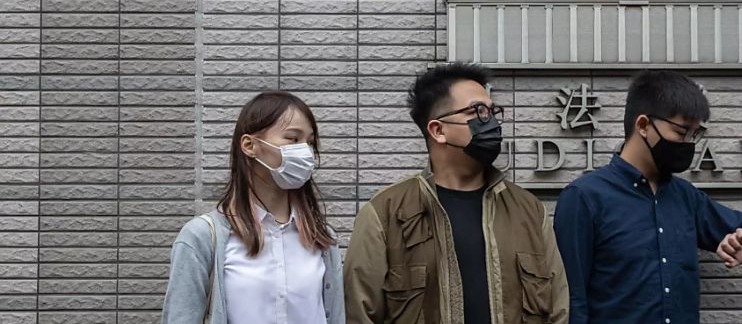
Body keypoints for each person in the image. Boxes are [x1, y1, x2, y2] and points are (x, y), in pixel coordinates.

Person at [343, 62, 568, 324]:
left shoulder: (528, 210)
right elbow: (360, 313)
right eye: (478, 111)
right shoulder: (385, 214)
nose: (491, 121)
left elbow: (558, 309)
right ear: (438, 130)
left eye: (493, 111)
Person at [554, 70, 742, 324]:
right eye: (681, 132)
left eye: (693, 135)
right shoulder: (584, 197)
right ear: (643, 125)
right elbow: (571, 299)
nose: (688, 144)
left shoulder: (687, 198)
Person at [161, 91, 344, 324]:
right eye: (293, 139)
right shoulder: (202, 237)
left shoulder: (322, 238)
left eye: (309, 142)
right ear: (250, 145)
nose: (305, 152)